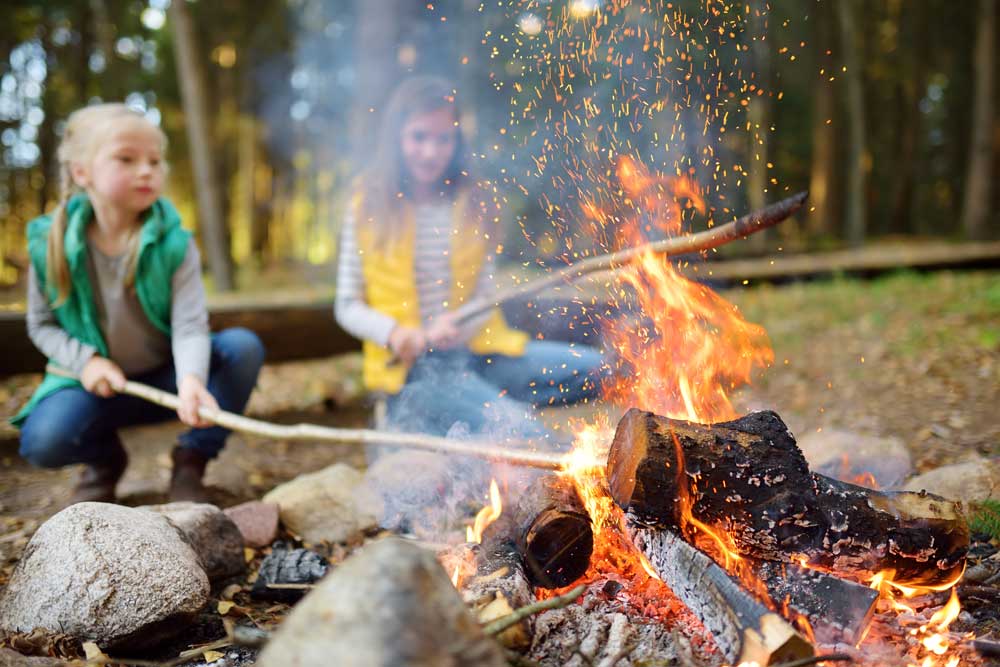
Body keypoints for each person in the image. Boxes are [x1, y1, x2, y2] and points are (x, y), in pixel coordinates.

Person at [11, 103, 265, 505]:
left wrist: (192, 380)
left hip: (166, 379)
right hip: (94, 387)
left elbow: (189, 326)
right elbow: (42, 325)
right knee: (43, 441)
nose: (146, 170)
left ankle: (191, 459)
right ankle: (106, 460)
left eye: (155, 160)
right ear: (82, 172)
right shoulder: (49, 243)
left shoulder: (175, 244)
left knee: (242, 348)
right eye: (126, 159)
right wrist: (86, 361)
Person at [335, 76, 605, 440]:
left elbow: (484, 294)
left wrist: (459, 328)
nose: (431, 151)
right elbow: (347, 305)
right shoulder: (367, 203)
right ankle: (487, 416)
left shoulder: (477, 201)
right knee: (524, 433)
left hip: (483, 354)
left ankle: (487, 405)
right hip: (415, 372)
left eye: (443, 138)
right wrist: (395, 332)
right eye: (419, 137)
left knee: (607, 369)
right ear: (397, 137)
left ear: (457, 140)